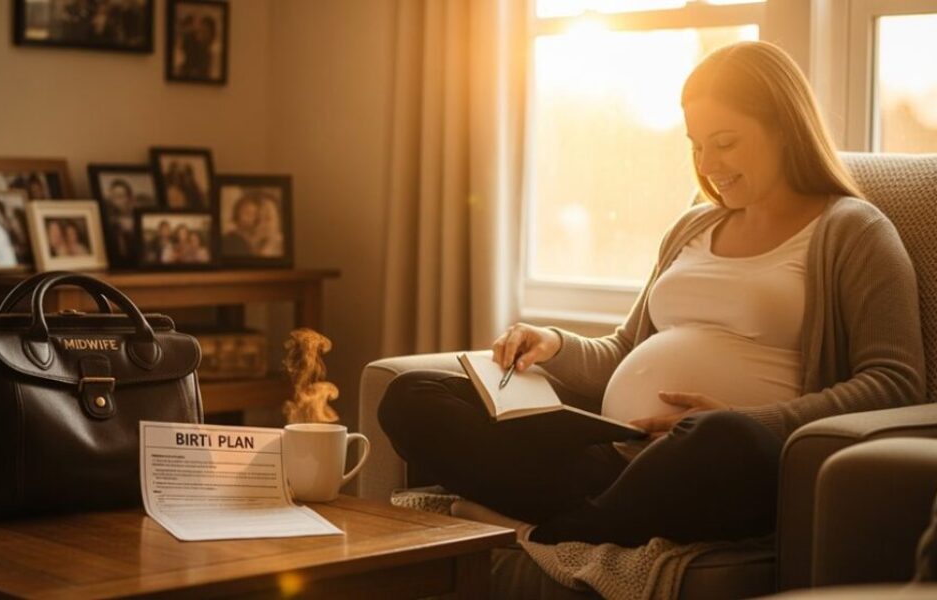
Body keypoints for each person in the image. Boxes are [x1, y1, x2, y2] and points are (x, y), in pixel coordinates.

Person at [377, 41, 926, 548]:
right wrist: (553, 344)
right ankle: (591, 520)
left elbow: (896, 384)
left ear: (785, 127)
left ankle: (551, 530)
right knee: (414, 395)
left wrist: (755, 419)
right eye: (697, 145)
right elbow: (624, 349)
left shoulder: (853, 230)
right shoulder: (692, 228)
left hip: (730, 462)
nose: (708, 166)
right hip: (619, 459)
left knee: (718, 436)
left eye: (726, 142)